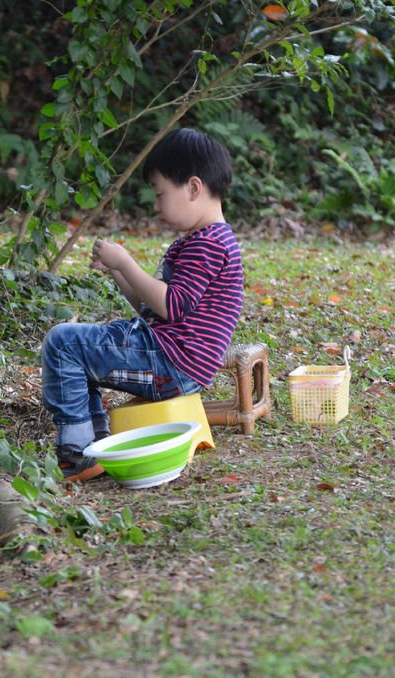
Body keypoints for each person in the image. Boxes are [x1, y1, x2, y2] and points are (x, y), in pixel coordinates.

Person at [42, 128, 243, 482]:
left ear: (194, 188)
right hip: (170, 355)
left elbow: (173, 306)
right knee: (77, 350)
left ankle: (77, 452)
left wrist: (127, 262)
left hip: (171, 361)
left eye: (160, 194)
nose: (156, 205)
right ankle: (95, 446)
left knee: (63, 344)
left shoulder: (207, 244)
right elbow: (154, 308)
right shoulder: (203, 240)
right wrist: (119, 272)